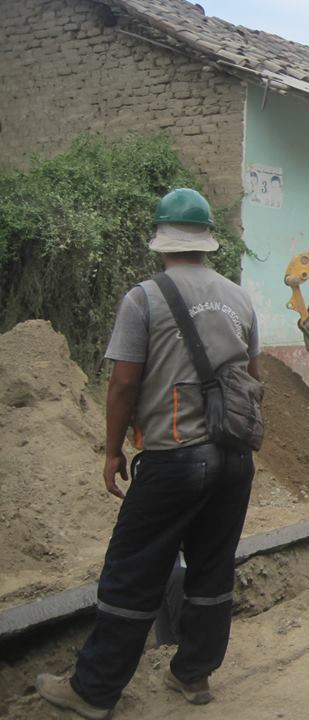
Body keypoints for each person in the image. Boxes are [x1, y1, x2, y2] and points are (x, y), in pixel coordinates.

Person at [35, 189, 260, 719]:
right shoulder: (240, 297)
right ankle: (194, 673)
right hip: (234, 457)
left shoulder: (145, 298)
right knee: (212, 566)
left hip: (173, 458)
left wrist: (112, 450)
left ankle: (93, 691)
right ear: (207, 241)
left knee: (132, 571)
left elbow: (121, 384)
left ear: (162, 240)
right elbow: (254, 380)